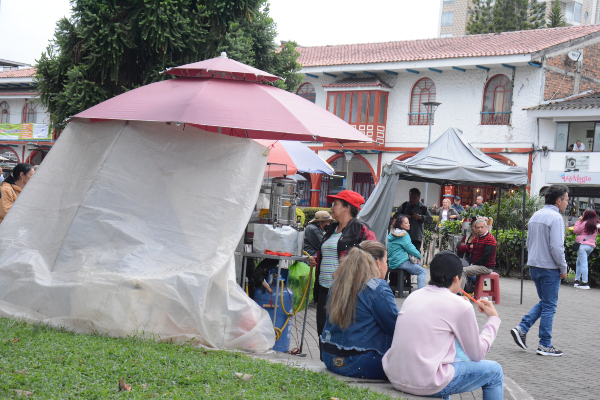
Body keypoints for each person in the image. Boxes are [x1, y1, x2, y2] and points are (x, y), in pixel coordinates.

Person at [383, 251, 503, 399]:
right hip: (427, 381)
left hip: (396, 376)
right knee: (495, 372)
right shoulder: (460, 306)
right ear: (456, 278)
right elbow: (477, 354)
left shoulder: (414, 296)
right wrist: (493, 320)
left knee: (446, 362)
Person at [321, 241, 399, 380]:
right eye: (386, 261)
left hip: (329, 357)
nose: (387, 266)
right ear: (377, 263)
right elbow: (395, 328)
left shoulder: (337, 283)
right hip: (358, 361)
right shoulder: (377, 288)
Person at [511, 184, 568, 357]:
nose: (567, 203)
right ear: (558, 201)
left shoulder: (536, 215)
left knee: (545, 302)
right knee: (549, 305)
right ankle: (544, 344)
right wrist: (563, 267)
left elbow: (529, 242)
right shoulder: (556, 218)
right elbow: (557, 247)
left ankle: (522, 327)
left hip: (534, 265)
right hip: (549, 267)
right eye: (566, 200)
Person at [310, 190, 376, 337]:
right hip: (323, 288)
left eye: (335, 204)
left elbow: (373, 257)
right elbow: (328, 253)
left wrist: (347, 270)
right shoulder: (331, 230)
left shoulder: (361, 229)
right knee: (322, 330)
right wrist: (317, 260)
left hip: (345, 290)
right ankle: (325, 360)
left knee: (339, 333)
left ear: (347, 207)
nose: (332, 208)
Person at [387, 215, 426, 289]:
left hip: (392, 261)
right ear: (400, 225)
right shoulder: (403, 235)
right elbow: (410, 248)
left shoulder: (392, 233)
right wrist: (419, 256)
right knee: (422, 271)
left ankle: (405, 281)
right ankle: (420, 291)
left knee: (418, 264)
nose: (409, 224)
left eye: (408, 222)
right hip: (401, 262)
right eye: (406, 223)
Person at [459, 218, 497, 291]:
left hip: (486, 266)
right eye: (478, 227)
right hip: (477, 264)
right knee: (457, 267)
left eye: (482, 227)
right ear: (475, 228)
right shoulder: (477, 237)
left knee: (463, 271)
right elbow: (472, 251)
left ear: (486, 227)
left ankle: (458, 294)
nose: (480, 229)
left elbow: (486, 257)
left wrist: (474, 264)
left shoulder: (490, 239)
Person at [573, 209, 599, 290]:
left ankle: (585, 282)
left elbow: (576, 230)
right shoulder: (596, 225)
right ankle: (577, 280)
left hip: (582, 246)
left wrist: (578, 222)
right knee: (579, 262)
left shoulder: (584, 223)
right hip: (590, 246)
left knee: (583, 263)